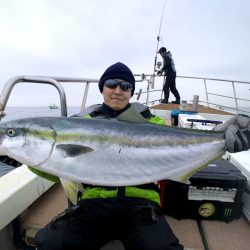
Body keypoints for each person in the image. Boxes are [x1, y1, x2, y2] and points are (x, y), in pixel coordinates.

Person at [34, 62, 184, 250]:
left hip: (141, 204)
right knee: (50, 243)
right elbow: (56, 167)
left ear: (131, 92)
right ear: (102, 88)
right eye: (111, 84)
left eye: (126, 86)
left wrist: (222, 140)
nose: (118, 90)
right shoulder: (80, 123)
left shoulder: (151, 123)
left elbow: (183, 149)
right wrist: (15, 157)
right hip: (94, 202)